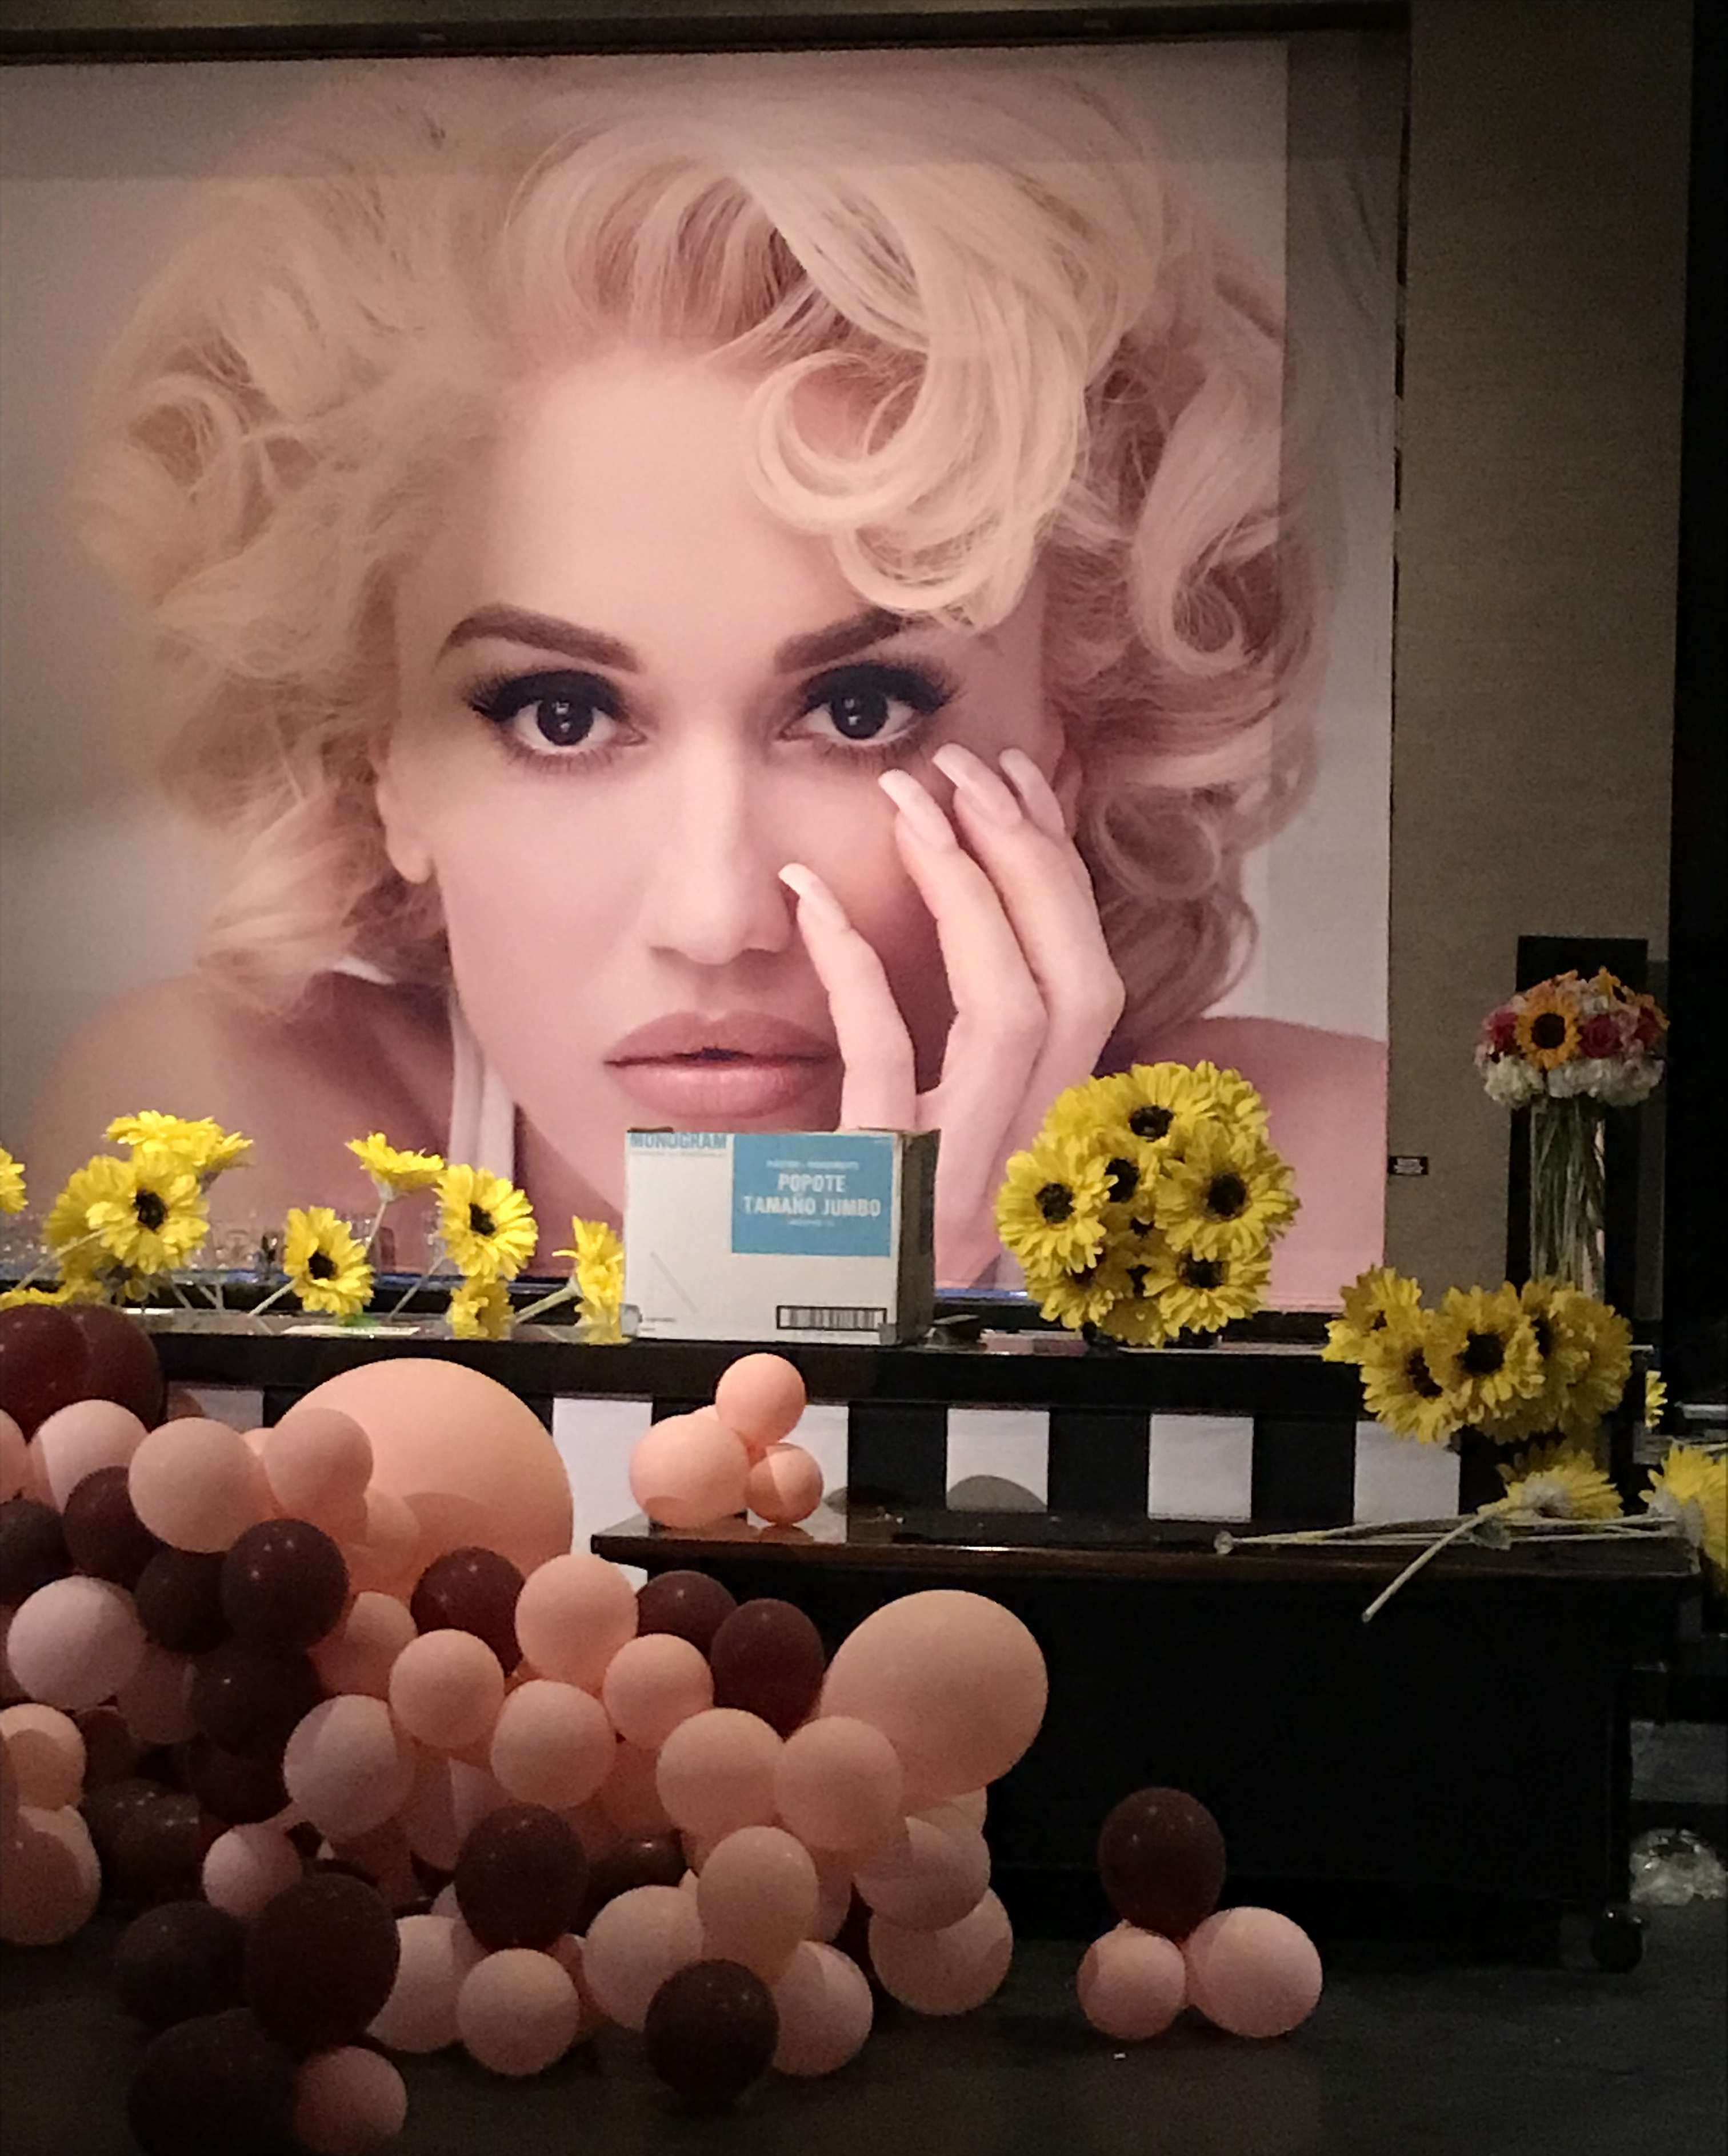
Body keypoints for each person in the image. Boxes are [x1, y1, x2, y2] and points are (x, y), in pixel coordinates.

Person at [23, 60, 1384, 1298]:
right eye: (562, 716)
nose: (716, 916)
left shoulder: (1304, 1189)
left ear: (1076, 731)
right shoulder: (214, 1134)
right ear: (383, 765)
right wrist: (834, 1287)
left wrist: (916, 1283)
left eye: (859, 711)